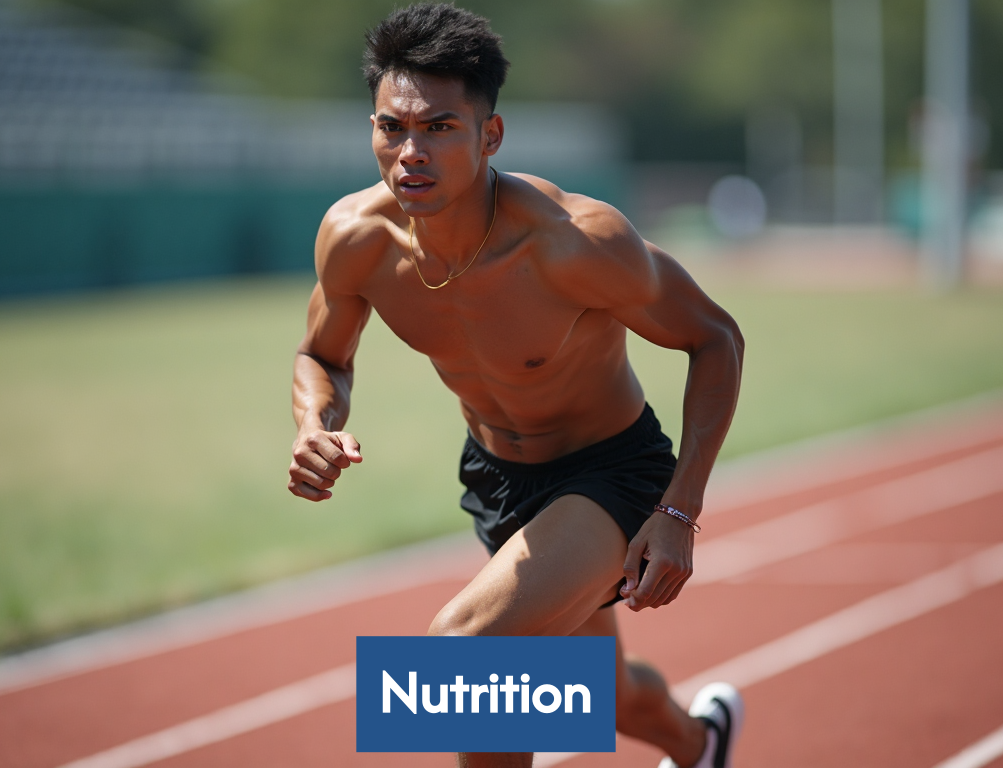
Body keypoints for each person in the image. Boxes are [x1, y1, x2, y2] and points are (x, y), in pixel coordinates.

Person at [288, 5, 745, 767]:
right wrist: (315, 423)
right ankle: (702, 745)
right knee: (592, 692)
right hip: (497, 478)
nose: (410, 152)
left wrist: (679, 510)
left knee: (463, 658)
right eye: (392, 128)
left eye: (439, 128)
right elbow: (322, 356)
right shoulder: (356, 238)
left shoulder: (575, 241)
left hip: (612, 475)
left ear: (489, 135)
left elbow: (715, 337)